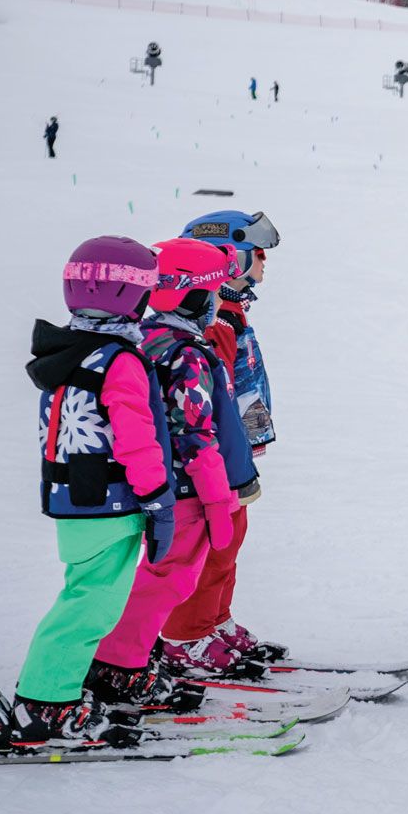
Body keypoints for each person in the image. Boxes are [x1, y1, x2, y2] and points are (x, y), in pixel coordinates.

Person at [0, 237, 175, 743]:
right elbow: (136, 437)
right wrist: (158, 497)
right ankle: (46, 701)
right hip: (108, 500)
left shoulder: (69, 350)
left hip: (76, 496)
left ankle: (52, 690)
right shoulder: (119, 360)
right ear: (133, 296)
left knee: (84, 594)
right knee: (91, 604)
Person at [85, 238, 239, 709]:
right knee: (169, 579)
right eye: (212, 294)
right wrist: (218, 500)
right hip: (185, 488)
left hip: (151, 482)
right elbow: (196, 432)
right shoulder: (186, 353)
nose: (217, 305)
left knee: (154, 575)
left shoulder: (147, 340)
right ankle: (118, 664)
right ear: (192, 297)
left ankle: (126, 654)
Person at [159, 210, 282, 673]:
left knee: (230, 541)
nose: (265, 261)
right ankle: (184, 635)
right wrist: (221, 460)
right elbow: (209, 402)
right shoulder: (214, 326)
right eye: (257, 252)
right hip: (212, 460)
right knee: (212, 545)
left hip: (232, 456)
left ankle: (212, 620)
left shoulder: (230, 315)